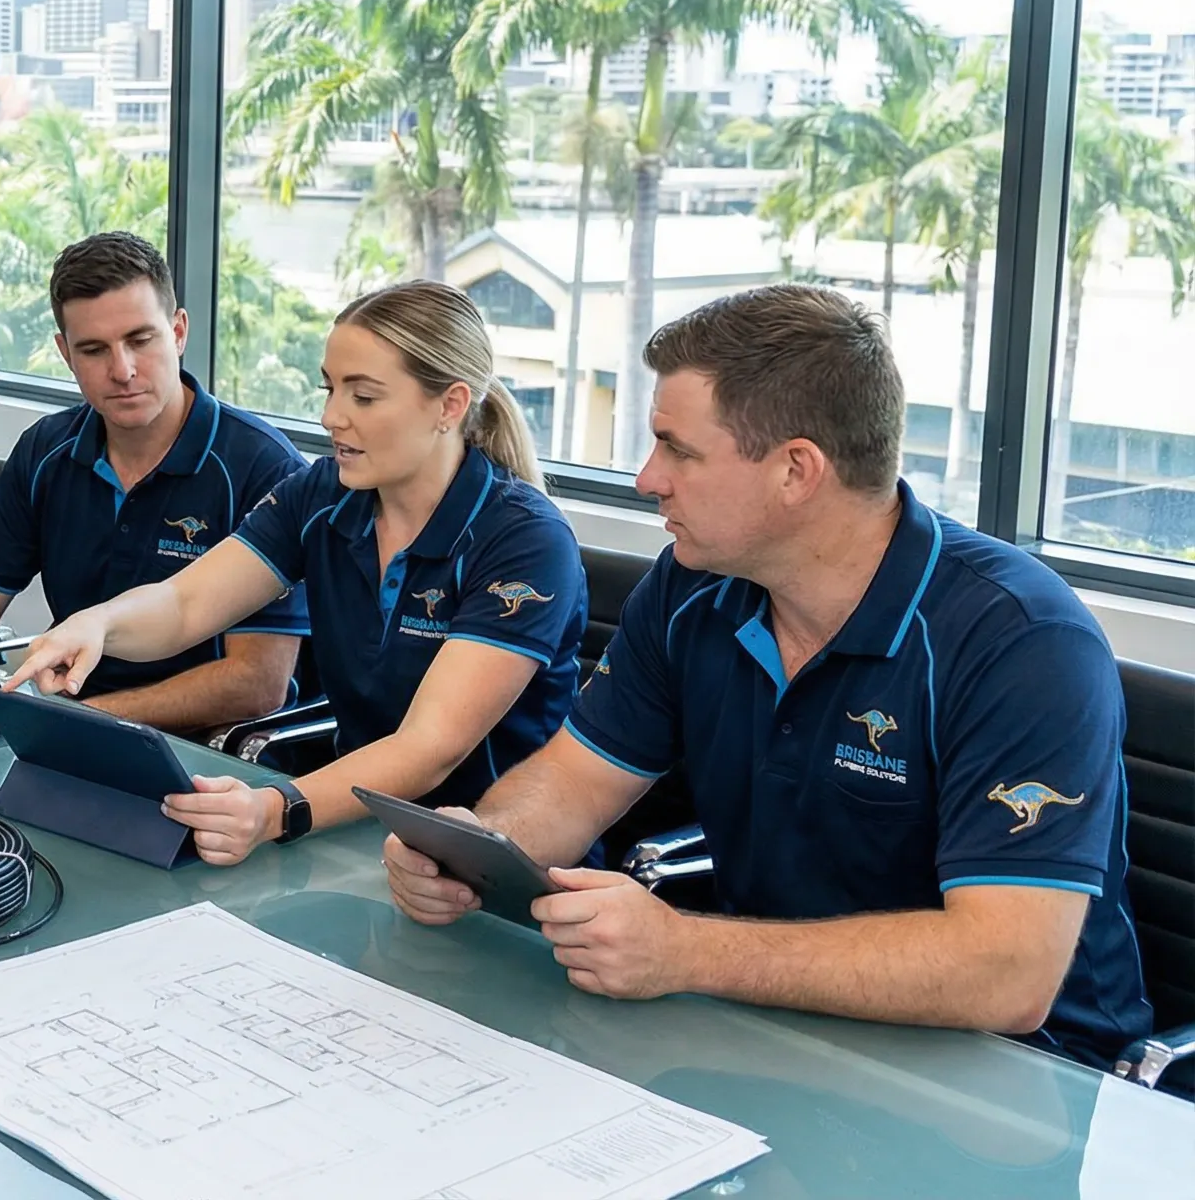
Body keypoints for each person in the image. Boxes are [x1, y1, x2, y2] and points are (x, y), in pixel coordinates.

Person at [381, 285, 1152, 1068]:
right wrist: (479, 849)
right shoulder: (692, 588)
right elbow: (573, 783)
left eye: (677, 449)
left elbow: (1007, 976)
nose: (648, 479)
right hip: (778, 1028)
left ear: (795, 471)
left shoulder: (1021, 643)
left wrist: (689, 952)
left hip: (1018, 1081)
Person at [8, 280, 586, 862]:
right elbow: (186, 604)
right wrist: (98, 625)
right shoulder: (324, 494)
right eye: (329, 389)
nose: (331, 417)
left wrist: (274, 809)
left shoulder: (526, 541)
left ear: (449, 406)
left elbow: (428, 747)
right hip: (357, 834)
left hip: (496, 864)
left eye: (363, 397)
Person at [0, 232, 308, 731]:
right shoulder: (46, 450)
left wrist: (77, 721)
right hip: (65, 723)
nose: (122, 370)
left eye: (140, 340)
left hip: (208, 747)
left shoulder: (264, 467)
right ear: (65, 354)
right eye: (94, 350)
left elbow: (257, 683)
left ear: (177, 332)